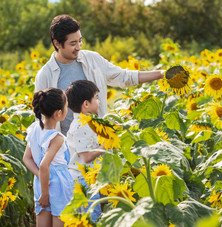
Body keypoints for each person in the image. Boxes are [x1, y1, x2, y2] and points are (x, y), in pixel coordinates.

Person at [35, 14, 164, 135]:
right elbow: (41, 119)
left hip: (99, 138)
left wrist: (160, 74)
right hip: (66, 147)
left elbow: (125, 77)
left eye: (80, 41)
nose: (79, 47)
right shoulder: (45, 75)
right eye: (73, 43)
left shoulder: (92, 59)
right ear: (57, 43)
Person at [23, 88, 73, 227]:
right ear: (59, 113)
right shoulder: (56, 138)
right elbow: (45, 165)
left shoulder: (33, 130)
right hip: (59, 185)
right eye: (66, 106)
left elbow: (27, 158)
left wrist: (40, 177)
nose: (67, 109)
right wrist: (45, 194)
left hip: (41, 182)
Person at [65, 80, 104, 221]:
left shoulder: (86, 123)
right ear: (86, 104)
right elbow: (86, 157)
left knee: (89, 215)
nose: (99, 101)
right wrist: (105, 146)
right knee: (91, 216)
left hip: (84, 177)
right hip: (82, 179)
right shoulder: (82, 126)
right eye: (96, 98)